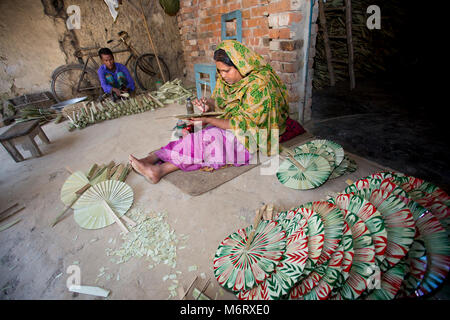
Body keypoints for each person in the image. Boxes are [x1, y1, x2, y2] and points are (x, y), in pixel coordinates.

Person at [129, 39, 304, 183]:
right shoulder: (226, 79)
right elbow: (222, 104)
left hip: (258, 133)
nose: (223, 76)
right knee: (191, 131)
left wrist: (210, 120)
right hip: (236, 122)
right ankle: (154, 158)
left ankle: (160, 169)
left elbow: (245, 125)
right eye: (219, 71)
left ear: (240, 65)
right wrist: (208, 105)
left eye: (226, 70)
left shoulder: (261, 86)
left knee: (210, 137)